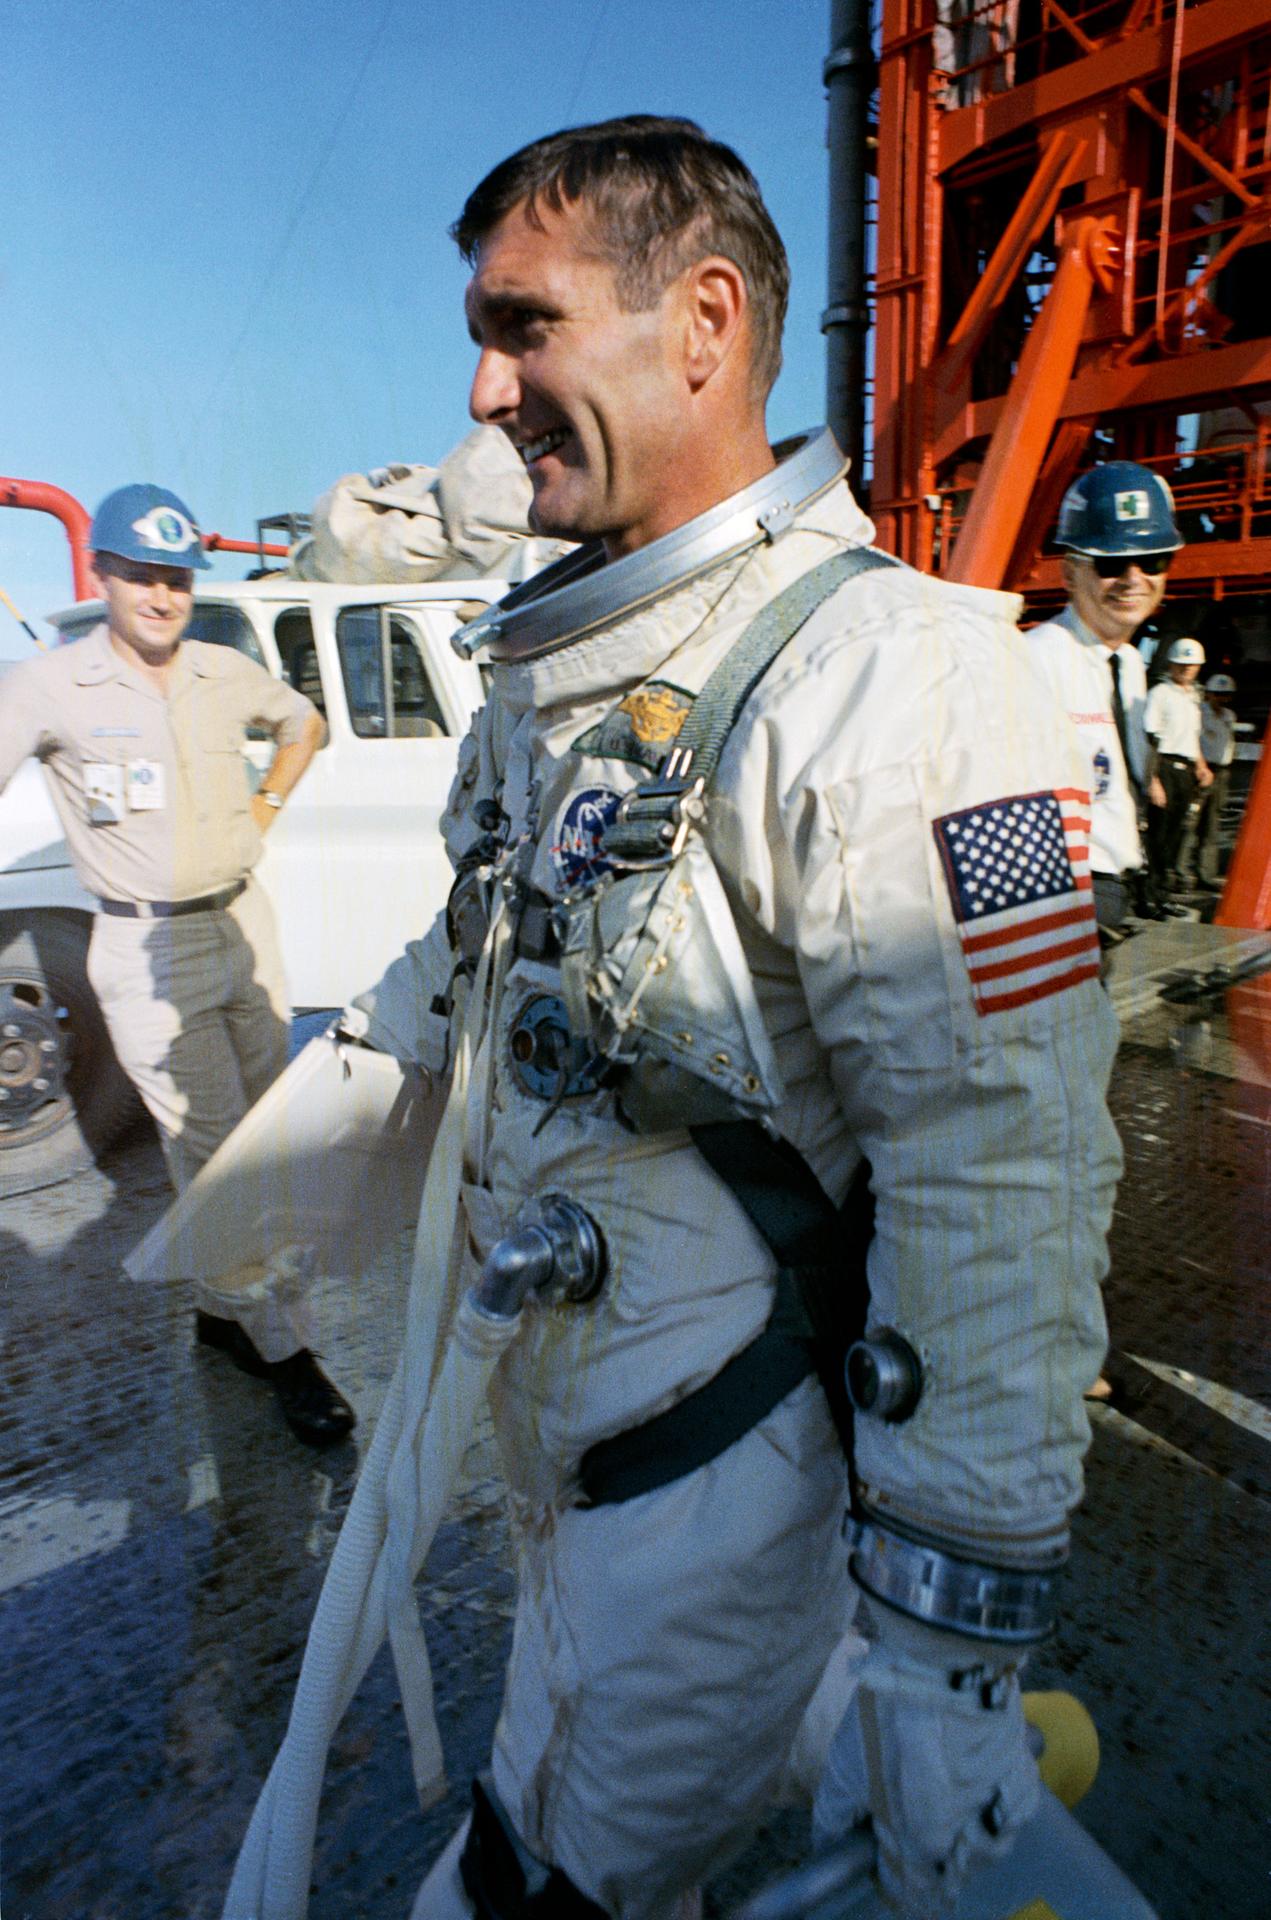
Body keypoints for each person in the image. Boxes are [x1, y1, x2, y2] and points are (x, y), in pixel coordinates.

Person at [226, 118, 1122, 1920]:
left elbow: (999, 1172)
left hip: (726, 1491)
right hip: (583, 1468)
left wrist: (951, 1652)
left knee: (531, 1885)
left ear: (702, 322)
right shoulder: (567, 677)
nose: (483, 385)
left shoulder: (905, 681)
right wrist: (308, 1123)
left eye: (523, 325)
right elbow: (493, 945)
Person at [0, 483, 354, 1446]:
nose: (161, 595)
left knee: (260, 1136)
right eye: (142, 575)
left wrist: (264, 810)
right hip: (143, 945)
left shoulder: (220, 670)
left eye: (178, 578)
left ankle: (221, 1311)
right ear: (103, 572)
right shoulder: (48, 686)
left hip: (244, 926)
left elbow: (304, 725)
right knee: (218, 1154)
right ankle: (288, 1353)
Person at [1027, 461, 1186, 938]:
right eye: (1111, 564)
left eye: (1153, 560)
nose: (1134, 578)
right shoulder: (1035, 660)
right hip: (1065, 893)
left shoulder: (1132, 664)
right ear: (1070, 574)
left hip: (1117, 886)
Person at [1142, 637, 1213, 901]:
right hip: (1164, 768)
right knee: (1158, 835)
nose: (1186, 669)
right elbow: (1151, 738)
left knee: (1175, 835)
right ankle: (1148, 897)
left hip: (1186, 772)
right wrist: (1153, 780)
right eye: (1181, 664)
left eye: (1191, 665)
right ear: (1171, 664)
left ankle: (1162, 895)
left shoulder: (1193, 697)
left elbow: (1191, 739)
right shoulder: (1160, 694)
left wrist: (1202, 766)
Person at [1181, 671, 1237, 890]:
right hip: (1203, 770)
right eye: (1217, 694)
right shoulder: (1199, 713)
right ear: (1209, 695)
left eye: (1226, 695)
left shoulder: (1229, 716)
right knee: (1191, 823)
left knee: (1212, 825)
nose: (1221, 699)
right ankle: (1180, 871)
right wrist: (1200, 768)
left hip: (1222, 772)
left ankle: (1206, 873)